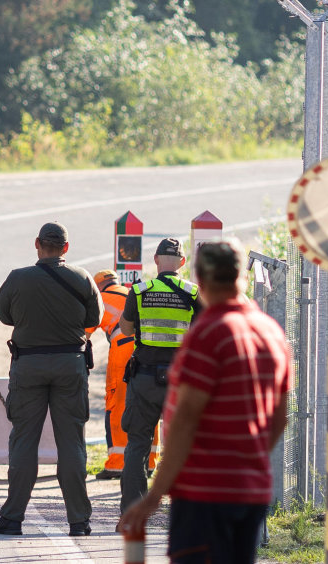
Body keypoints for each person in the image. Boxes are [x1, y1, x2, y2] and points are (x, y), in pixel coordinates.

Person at [119, 240, 291, 563]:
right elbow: (279, 418)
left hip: (204, 494)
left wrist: (152, 498)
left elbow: (185, 422)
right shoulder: (271, 333)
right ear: (241, 275)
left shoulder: (209, 333)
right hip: (251, 491)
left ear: (199, 275)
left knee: (138, 444)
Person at [0, 222, 103, 538]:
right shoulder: (82, 278)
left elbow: (4, 315)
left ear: (37, 244)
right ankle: (78, 521)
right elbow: (94, 319)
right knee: (72, 444)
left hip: (28, 366)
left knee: (24, 441)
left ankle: (12, 519)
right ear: (66, 248)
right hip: (71, 366)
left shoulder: (18, 278)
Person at [118, 238, 203, 515]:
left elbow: (126, 330)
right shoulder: (193, 293)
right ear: (181, 262)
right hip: (181, 382)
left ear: (155, 260)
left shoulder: (139, 291)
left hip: (143, 380)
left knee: (138, 445)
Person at [88, 270, 159, 481]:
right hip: (147, 348)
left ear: (98, 286)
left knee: (116, 402)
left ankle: (117, 463)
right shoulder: (130, 294)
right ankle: (150, 461)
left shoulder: (99, 298)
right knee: (148, 403)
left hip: (123, 347)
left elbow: (84, 332)